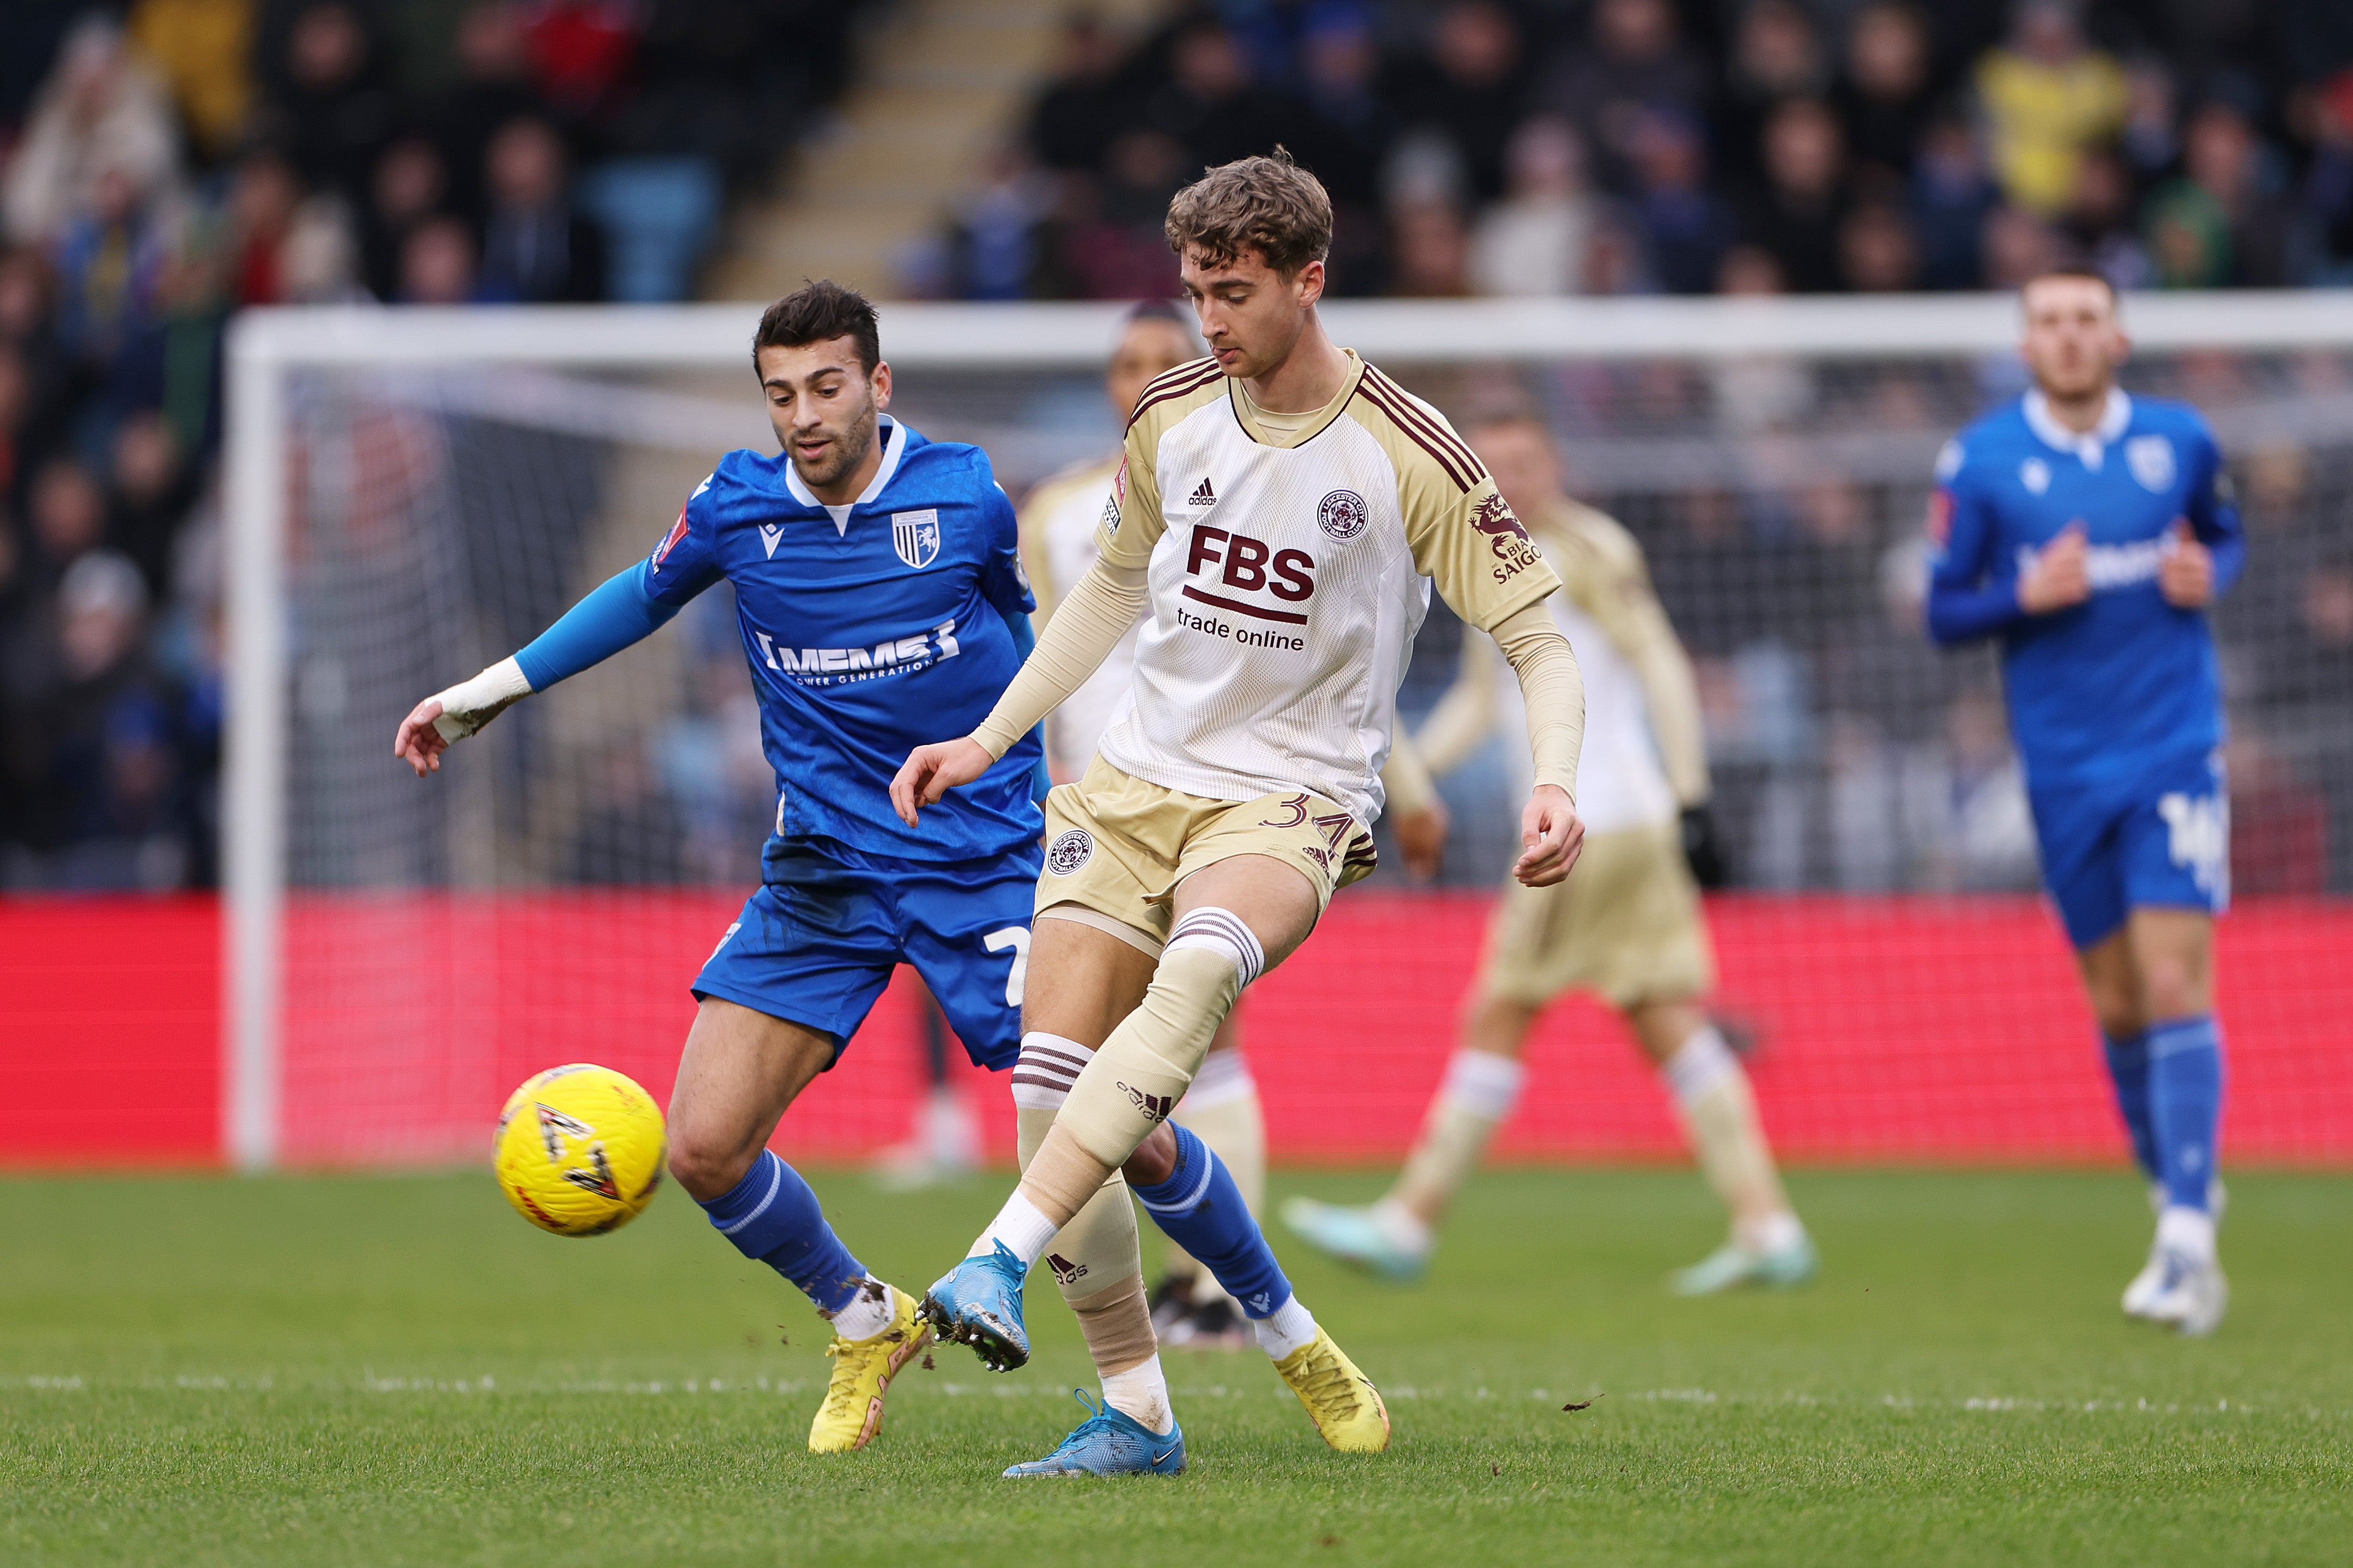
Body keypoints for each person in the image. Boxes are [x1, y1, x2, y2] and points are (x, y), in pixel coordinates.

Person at [892, 152, 1587, 1475]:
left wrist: (1551, 778)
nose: (1207, 320)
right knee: (1058, 1090)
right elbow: (1105, 594)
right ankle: (1154, 1400)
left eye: (1232, 293)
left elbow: (1537, 637)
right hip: (1133, 783)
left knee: (1205, 967)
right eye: (1194, 291)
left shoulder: (1404, 451)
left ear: (1307, 281)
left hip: (1292, 797)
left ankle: (996, 1253)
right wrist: (985, 737)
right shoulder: (1171, 416)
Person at [392, 281, 1048, 1450]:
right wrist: (486, 693)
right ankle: (863, 1316)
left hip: (978, 853)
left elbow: (1027, 638)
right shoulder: (735, 507)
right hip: (824, 868)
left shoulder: (965, 493)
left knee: (1096, 1113)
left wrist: (1029, 784)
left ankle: (1275, 1325)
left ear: (877, 384)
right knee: (699, 1144)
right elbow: (635, 601)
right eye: (780, 393)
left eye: (826, 385)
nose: (802, 413)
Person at [1282, 410, 1815, 1295]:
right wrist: (1400, 775)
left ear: (1556, 466)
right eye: (1499, 465)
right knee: (1663, 1018)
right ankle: (1768, 1224)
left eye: (1528, 463)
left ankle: (1409, 1221)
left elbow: (1662, 663)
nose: (1514, 479)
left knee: (1499, 1010)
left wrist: (1693, 794)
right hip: (1618, 821)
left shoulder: (1588, 548)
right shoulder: (1501, 552)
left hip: (1591, 825)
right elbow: (1481, 703)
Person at [1018, 298, 1450, 1347]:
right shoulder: (1060, 510)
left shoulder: (1269, 481)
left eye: (1166, 357)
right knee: (1071, 1058)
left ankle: (1206, 1291)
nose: (1147, 376)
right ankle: (1171, 1302)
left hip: (1233, 793)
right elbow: (1039, 641)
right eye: (1128, 362)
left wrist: (1419, 780)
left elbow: (1325, 659)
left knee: (1207, 1031)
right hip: (1108, 797)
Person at [1926, 268, 2241, 1335]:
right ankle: (2175, 1199)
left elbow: (2221, 536)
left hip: (2173, 749)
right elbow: (1940, 608)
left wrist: (2213, 572)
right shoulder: (1980, 461)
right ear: (2025, 345)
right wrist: (2022, 593)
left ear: (2117, 336)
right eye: (2047, 322)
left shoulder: (2180, 440)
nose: (2066, 337)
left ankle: (2187, 1235)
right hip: (2061, 768)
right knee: (2116, 1004)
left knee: (2169, 976)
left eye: (2084, 320)